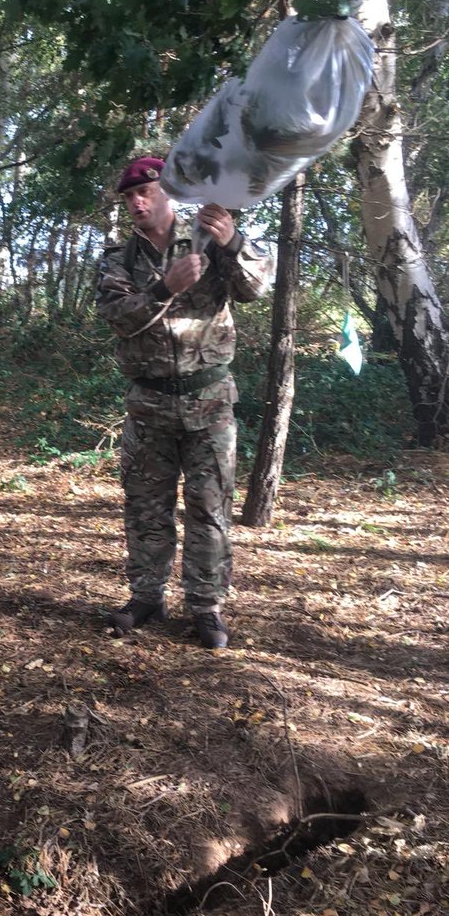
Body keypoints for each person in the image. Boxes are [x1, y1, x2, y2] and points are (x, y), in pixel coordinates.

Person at [96, 156, 274, 649]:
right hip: (149, 407)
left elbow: (256, 288)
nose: (137, 201)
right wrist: (162, 288)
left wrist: (234, 242)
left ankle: (206, 606)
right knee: (146, 509)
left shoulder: (208, 237)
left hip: (209, 402)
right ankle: (147, 596)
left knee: (209, 509)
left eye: (145, 191)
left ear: (168, 192)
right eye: (129, 196)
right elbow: (116, 317)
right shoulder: (118, 259)